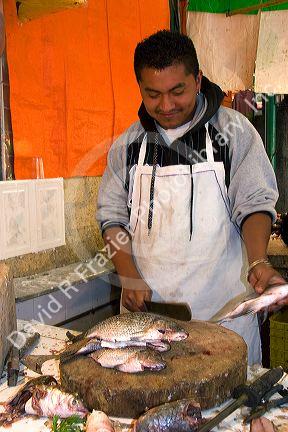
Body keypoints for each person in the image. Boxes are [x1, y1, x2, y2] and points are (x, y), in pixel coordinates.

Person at [97, 30, 286, 365]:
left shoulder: (234, 133)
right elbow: (112, 218)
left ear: (198, 80)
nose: (166, 106)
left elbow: (255, 203)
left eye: (177, 91)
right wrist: (128, 275)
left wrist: (258, 260)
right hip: (147, 327)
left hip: (222, 320)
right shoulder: (129, 146)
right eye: (152, 94)